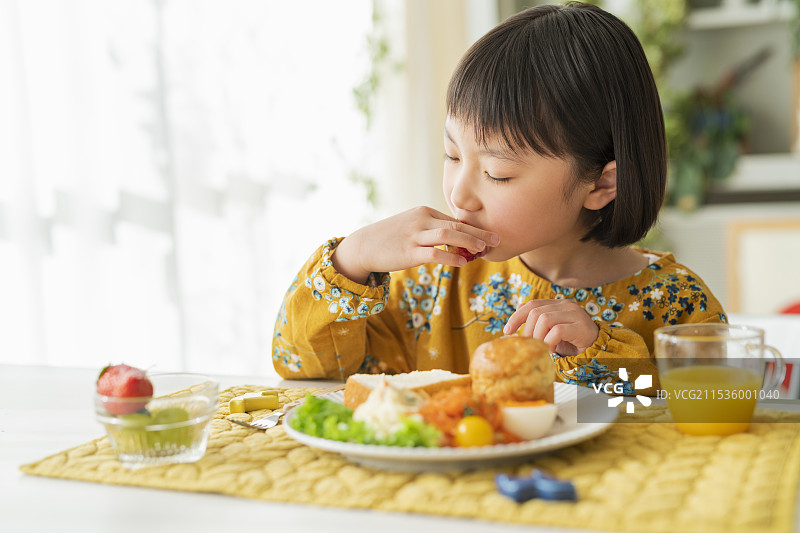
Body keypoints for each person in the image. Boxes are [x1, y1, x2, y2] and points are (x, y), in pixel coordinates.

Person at [271, 2, 726, 394]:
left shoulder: (678, 306)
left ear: (602, 184)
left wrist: (600, 357)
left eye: (497, 173)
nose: (458, 192)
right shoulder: (433, 284)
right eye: (451, 154)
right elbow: (304, 369)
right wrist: (352, 259)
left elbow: (710, 437)